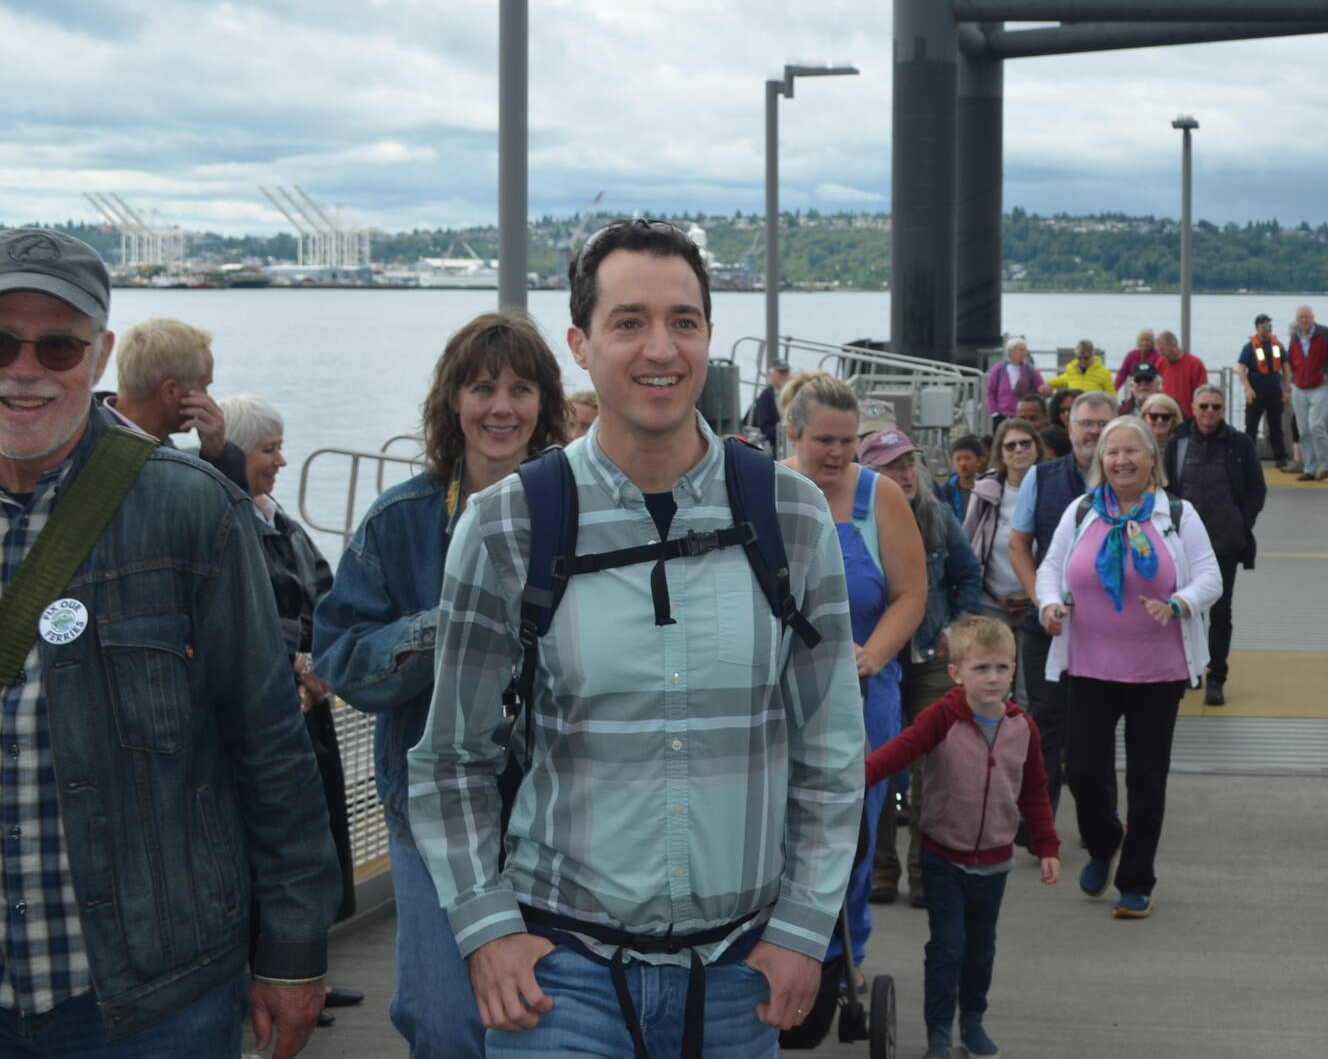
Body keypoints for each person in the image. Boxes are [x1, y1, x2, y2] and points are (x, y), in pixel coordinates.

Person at [403, 220, 864, 1057]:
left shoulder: (789, 516)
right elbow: (451, 759)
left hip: (740, 977)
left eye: (684, 321)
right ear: (580, 344)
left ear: (708, 338)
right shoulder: (508, 524)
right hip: (562, 973)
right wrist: (487, 929)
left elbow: (830, 746)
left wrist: (804, 929)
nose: (662, 347)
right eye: (629, 323)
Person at [0, 228, 338, 1057]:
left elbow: (268, 743)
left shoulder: (190, 510)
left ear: (102, 354)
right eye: (1, 341)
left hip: (154, 992)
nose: (25, 368)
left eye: (58, 345)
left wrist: (292, 955)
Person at [312, 310, 569, 1057]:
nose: (501, 407)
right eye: (482, 387)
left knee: (542, 1018)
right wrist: (447, 623)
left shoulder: (581, 513)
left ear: (545, 404)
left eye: (521, 388)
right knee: (442, 1017)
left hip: (559, 812)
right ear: (451, 401)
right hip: (427, 813)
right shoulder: (399, 521)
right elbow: (342, 660)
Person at [1034, 414, 1222, 920]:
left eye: (1131, 451)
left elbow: (1210, 577)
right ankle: (1103, 842)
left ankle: (1136, 880)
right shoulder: (1082, 513)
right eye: (1111, 452)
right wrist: (1049, 606)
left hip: (1157, 671)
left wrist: (1179, 603)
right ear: (1100, 462)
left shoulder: (1177, 514)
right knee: (1086, 772)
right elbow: (1050, 570)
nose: (1121, 460)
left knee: (1147, 777)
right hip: (1089, 664)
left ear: (1151, 459)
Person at [778, 369, 926, 973]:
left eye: (848, 442)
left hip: (863, 694)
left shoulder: (879, 498)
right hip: (779, 696)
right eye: (825, 441)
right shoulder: (766, 492)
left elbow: (910, 594)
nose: (838, 453)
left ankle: (846, 954)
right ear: (793, 435)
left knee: (854, 832)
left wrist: (877, 653)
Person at [222, 394, 362, 1022]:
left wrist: (321, 667)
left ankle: (307, 966)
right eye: (267, 449)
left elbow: (327, 596)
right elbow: (246, 616)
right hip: (270, 710)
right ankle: (270, 975)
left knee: (322, 830)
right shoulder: (231, 522)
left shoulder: (281, 522)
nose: (281, 460)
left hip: (309, 704)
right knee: (271, 843)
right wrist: (300, 666)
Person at [865, 615, 1059, 1059]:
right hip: (943, 855)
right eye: (980, 668)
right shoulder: (942, 717)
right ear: (956, 673)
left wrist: (1047, 845)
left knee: (980, 950)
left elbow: (1034, 791)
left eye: (1001, 668)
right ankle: (938, 1032)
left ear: (1013, 669)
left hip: (995, 860)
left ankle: (972, 1022)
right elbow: (902, 749)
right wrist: (861, 776)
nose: (992, 678)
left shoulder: (1021, 727)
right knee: (947, 946)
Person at [860, 428, 983, 913]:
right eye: (893, 466)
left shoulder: (936, 514)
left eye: (910, 463)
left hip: (930, 656)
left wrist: (955, 629)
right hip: (877, 658)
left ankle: (924, 871)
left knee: (932, 764)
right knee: (884, 764)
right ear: (870, 473)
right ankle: (883, 868)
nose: (906, 474)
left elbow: (967, 573)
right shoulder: (854, 520)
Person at [1004, 391, 1117, 813]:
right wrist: (1041, 597)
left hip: (1107, 627)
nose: (1094, 432)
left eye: (1103, 423)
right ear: (1069, 428)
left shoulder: (1127, 477)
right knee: (1045, 721)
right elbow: (1018, 544)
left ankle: (1102, 817)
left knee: (1097, 725)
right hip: (1047, 621)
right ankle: (1040, 822)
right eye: (1086, 423)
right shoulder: (1042, 477)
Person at [1160, 384, 1266, 707]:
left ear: (1224, 410)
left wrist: (1240, 523)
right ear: (1192, 406)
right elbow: (1165, 487)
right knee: (1186, 607)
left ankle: (1216, 676)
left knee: (1220, 611)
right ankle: (1191, 670)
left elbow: (1256, 490)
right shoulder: (1177, 442)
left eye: (1216, 407)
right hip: (1181, 542)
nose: (1209, 412)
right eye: (1204, 406)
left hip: (1225, 542)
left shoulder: (1240, 444)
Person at [96, 316, 251, 491]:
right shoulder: (100, 454)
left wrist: (219, 456)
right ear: (171, 391)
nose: (208, 400)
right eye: (204, 387)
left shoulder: (84, 433)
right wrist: (224, 462)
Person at [964, 418, 1045, 695]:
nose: (1019, 450)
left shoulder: (1050, 487)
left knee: (1028, 687)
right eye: (1011, 445)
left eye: (1026, 443)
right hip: (992, 602)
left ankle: (1027, 738)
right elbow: (968, 542)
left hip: (1035, 603)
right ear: (1000, 452)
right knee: (994, 684)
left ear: (1037, 448)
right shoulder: (985, 492)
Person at [1287, 305, 1328, 480]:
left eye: (1306, 317)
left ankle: (1326, 465)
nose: (1304, 320)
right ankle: (1309, 468)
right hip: (1299, 387)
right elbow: (1291, 360)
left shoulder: (1325, 334)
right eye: (1300, 317)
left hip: (1320, 385)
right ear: (1297, 320)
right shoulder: (1294, 338)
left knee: (1316, 426)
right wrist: (1292, 380)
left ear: (1313, 317)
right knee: (1303, 429)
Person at [1236, 313, 1290, 467]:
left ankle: (1280, 457)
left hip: (1274, 390)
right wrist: (1248, 389)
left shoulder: (1278, 346)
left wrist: (1286, 390)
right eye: (1264, 326)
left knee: (1276, 426)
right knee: (1251, 426)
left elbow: (1286, 368)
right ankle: (1248, 459)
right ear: (1257, 328)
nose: (1267, 329)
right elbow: (1241, 369)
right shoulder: (1249, 348)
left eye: (1269, 326)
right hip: (1256, 390)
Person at [982, 340, 1043, 427]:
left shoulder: (1031, 371)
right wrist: (994, 413)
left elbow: (1040, 386)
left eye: (1025, 350)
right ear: (1010, 352)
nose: (1024, 353)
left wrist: (1044, 389)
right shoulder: (998, 370)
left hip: (1023, 416)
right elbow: (991, 392)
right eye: (1021, 350)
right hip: (1002, 417)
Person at [1151, 331, 1207, 418]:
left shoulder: (1195, 364)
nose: (1160, 354)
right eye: (1159, 351)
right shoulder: (1161, 363)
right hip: (1165, 417)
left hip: (1188, 418)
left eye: (1163, 350)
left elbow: (1202, 395)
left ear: (1174, 346)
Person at [1045, 339, 1115, 396]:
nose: (1082, 361)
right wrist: (1044, 384)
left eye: (1086, 358)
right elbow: (1060, 380)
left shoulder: (1104, 372)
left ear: (1092, 355)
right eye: (1079, 358)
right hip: (1075, 407)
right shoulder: (1072, 371)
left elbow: (1111, 394)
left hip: (1094, 409)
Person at [748, 360, 790, 452]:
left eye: (786, 372)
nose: (784, 375)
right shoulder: (765, 397)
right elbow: (766, 428)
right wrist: (785, 430)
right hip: (780, 440)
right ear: (771, 375)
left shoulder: (796, 393)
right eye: (780, 372)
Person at [940, 434, 985, 519]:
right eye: (958, 459)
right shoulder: (946, 491)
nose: (962, 463)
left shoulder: (987, 488)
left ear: (978, 460)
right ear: (952, 463)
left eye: (967, 458)